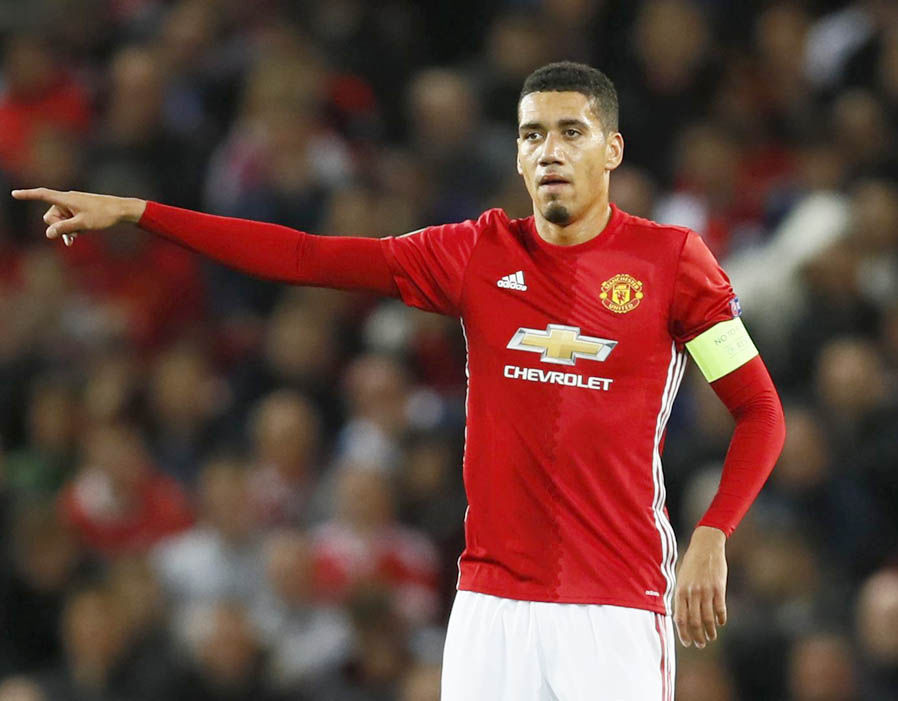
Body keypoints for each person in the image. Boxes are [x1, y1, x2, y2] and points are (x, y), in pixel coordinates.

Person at [12, 61, 786, 701]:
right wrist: (141, 212)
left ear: (611, 148)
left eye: (570, 132)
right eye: (532, 134)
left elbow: (759, 409)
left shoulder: (672, 263)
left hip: (614, 604)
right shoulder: (477, 253)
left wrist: (713, 533)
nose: (549, 150)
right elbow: (307, 256)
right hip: (490, 606)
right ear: (517, 156)